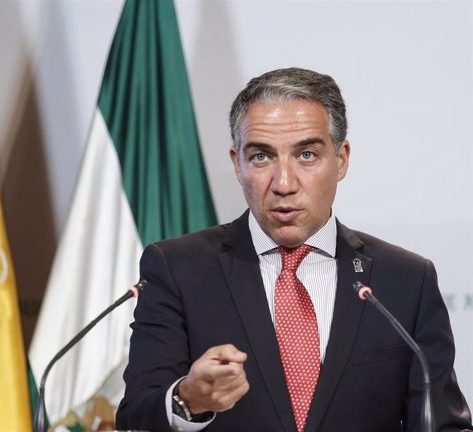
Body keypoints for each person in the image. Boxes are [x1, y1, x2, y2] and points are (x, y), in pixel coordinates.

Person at [115, 68, 472, 431]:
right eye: (261, 157)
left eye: (306, 155)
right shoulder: (177, 269)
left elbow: (443, 423)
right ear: (237, 163)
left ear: (342, 159)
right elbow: (135, 417)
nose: (284, 183)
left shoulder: (405, 279)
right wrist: (187, 401)